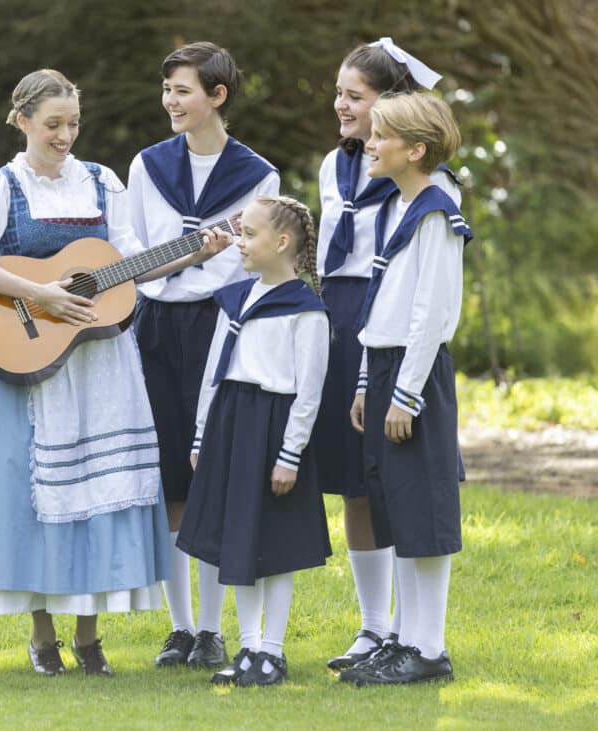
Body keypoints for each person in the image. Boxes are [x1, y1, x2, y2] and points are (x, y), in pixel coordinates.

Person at [0, 69, 233, 677]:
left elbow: (127, 263)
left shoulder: (102, 181)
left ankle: (89, 634)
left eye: (73, 123)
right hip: (31, 360)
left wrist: (192, 251)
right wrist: (40, 295)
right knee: (34, 499)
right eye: (53, 124)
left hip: (101, 361)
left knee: (97, 497)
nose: (65, 135)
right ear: (21, 121)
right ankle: (42, 634)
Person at [309, 38, 462, 671]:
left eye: (357, 97)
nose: (344, 108)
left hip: (402, 344)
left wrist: (400, 386)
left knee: (411, 493)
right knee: (365, 482)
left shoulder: (428, 197)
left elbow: (429, 300)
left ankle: (418, 638)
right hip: (356, 334)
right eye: (339, 94)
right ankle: (382, 632)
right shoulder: (348, 170)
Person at [127, 41, 280, 670]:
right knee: (167, 477)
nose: (170, 101)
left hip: (222, 325)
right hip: (154, 325)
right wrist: (178, 261)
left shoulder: (258, 176)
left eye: (182, 91)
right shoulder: (146, 165)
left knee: (210, 469)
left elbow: (258, 257)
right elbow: (132, 248)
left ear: (216, 96)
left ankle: (214, 631)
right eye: (166, 90)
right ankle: (181, 628)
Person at [343, 92, 471, 685]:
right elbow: (384, 306)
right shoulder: (397, 205)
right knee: (398, 512)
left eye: (381, 135)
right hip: (387, 366)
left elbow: (430, 310)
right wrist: (371, 381)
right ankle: (404, 639)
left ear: (415, 150)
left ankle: (429, 648)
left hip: (415, 375)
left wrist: (407, 394)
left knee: (425, 512)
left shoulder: (437, 212)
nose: (369, 142)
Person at [177, 196, 330, 687]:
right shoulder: (233, 299)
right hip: (232, 423)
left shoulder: (306, 310)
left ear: (281, 243)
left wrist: (291, 454)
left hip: (274, 427)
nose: (238, 243)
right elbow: (212, 374)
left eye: (249, 235)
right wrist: (203, 433)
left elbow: (309, 390)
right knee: (236, 538)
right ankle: (247, 648)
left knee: (275, 543)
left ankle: (274, 651)